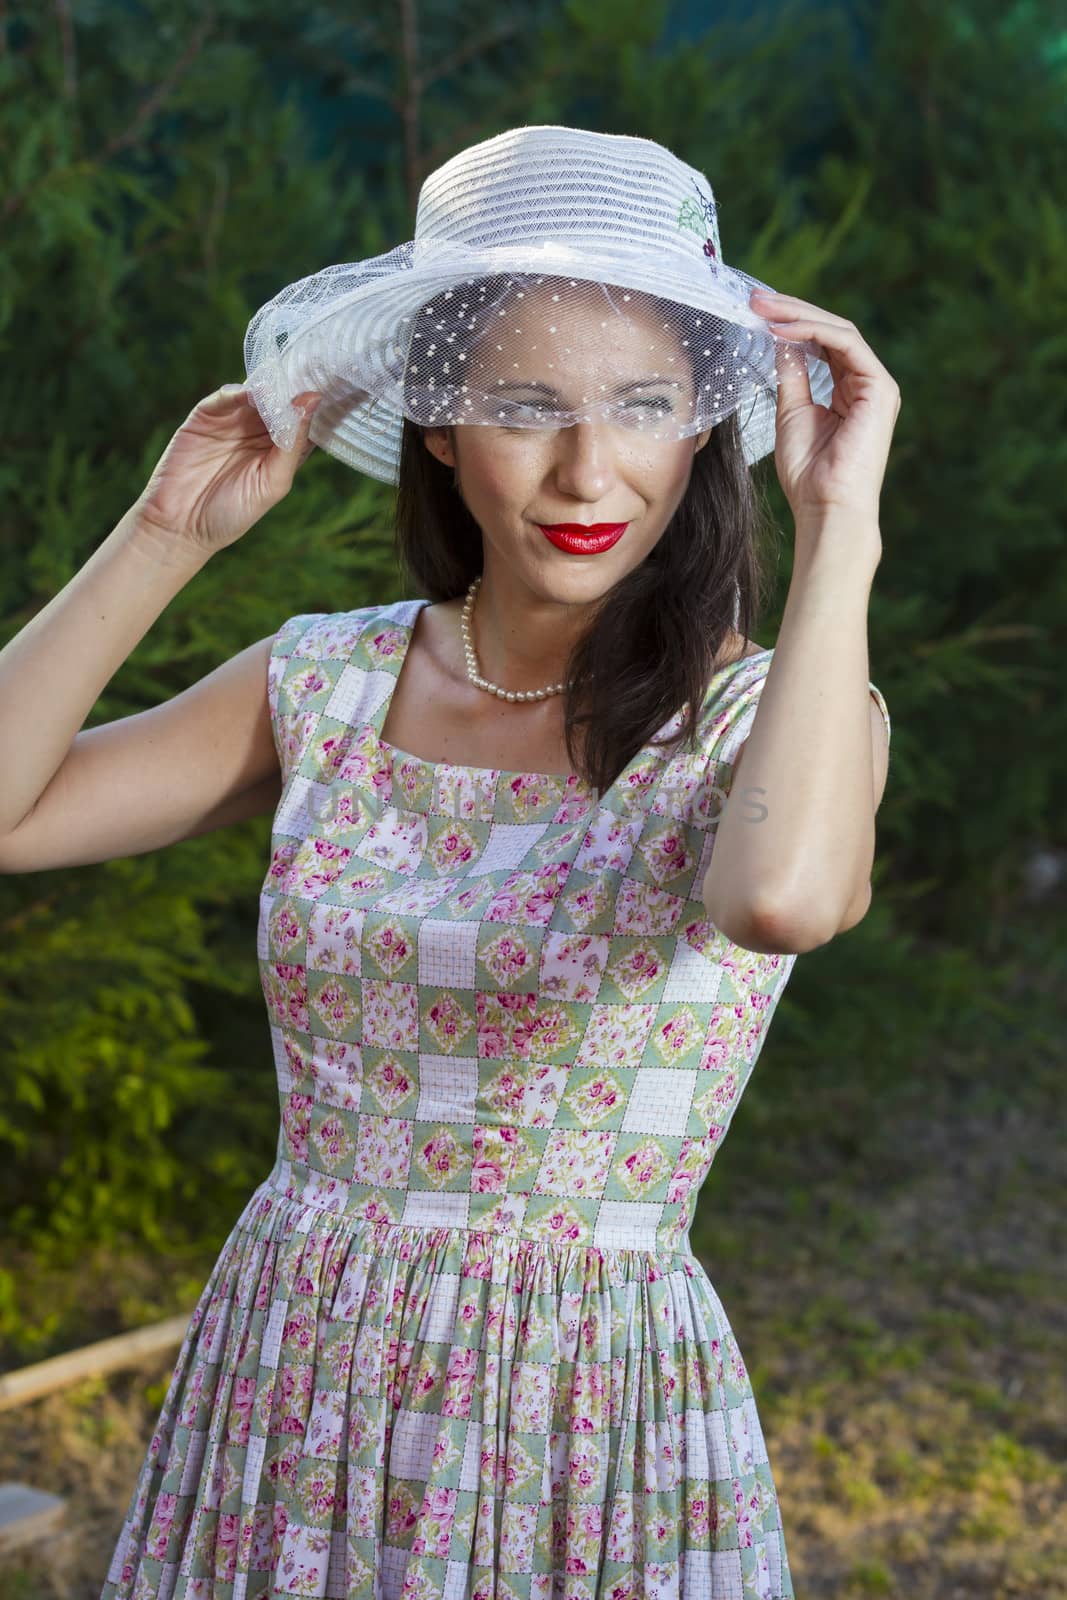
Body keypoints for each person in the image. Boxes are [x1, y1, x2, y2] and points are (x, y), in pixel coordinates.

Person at [0, 125, 899, 1599]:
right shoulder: (327, 683)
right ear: (436, 419)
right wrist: (167, 534)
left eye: (643, 406)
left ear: (701, 428)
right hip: (296, 1364)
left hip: (582, 1397)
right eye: (523, 403)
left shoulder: (766, 714)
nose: (584, 466)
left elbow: (783, 900)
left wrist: (840, 522)